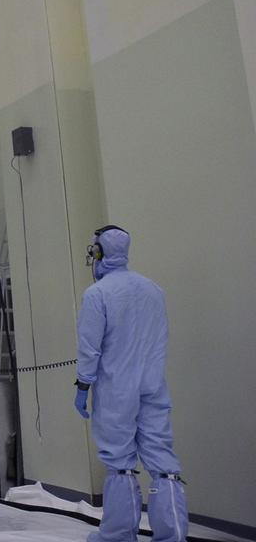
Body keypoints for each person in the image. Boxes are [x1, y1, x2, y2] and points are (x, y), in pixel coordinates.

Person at [74, 225, 188, 542]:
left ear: (99, 253)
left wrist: (83, 385)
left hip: (116, 389)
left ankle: (118, 535)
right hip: (153, 385)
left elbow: (90, 347)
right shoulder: (154, 289)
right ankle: (173, 535)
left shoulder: (97, 294)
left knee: (120, 463)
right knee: (163, 461)